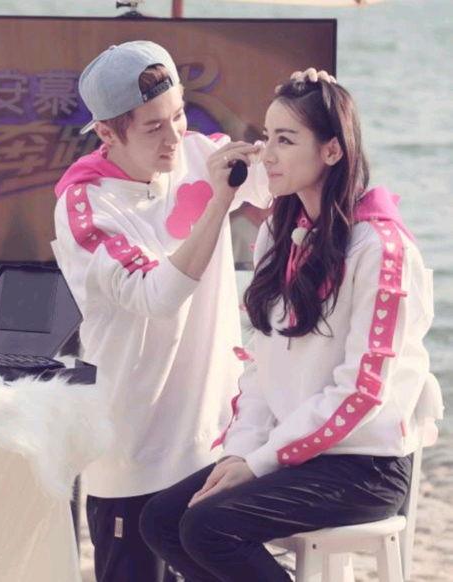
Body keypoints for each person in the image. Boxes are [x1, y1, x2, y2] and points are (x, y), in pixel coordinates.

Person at [139, 74, 440, 582]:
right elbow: (262, 369)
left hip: (364, 466)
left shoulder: (380, 249)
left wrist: (260, 463)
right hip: (294, 453)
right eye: (267, 136)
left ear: (331, 151)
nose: (267, 154)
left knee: (207, 528)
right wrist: (241, 452)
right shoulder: (280, 232)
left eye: (285, 139)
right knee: (162, 520)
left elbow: (362, 392)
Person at [51, 40, 271, 582]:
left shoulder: (200, 153)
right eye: (153, 128)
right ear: (108, 134)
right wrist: (219, 202)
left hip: (218, 441)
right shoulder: (86, 205)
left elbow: (286, 171)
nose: (175, 137)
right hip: (135, 451)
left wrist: (316, 105)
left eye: (178, 115)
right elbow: (157, 294)